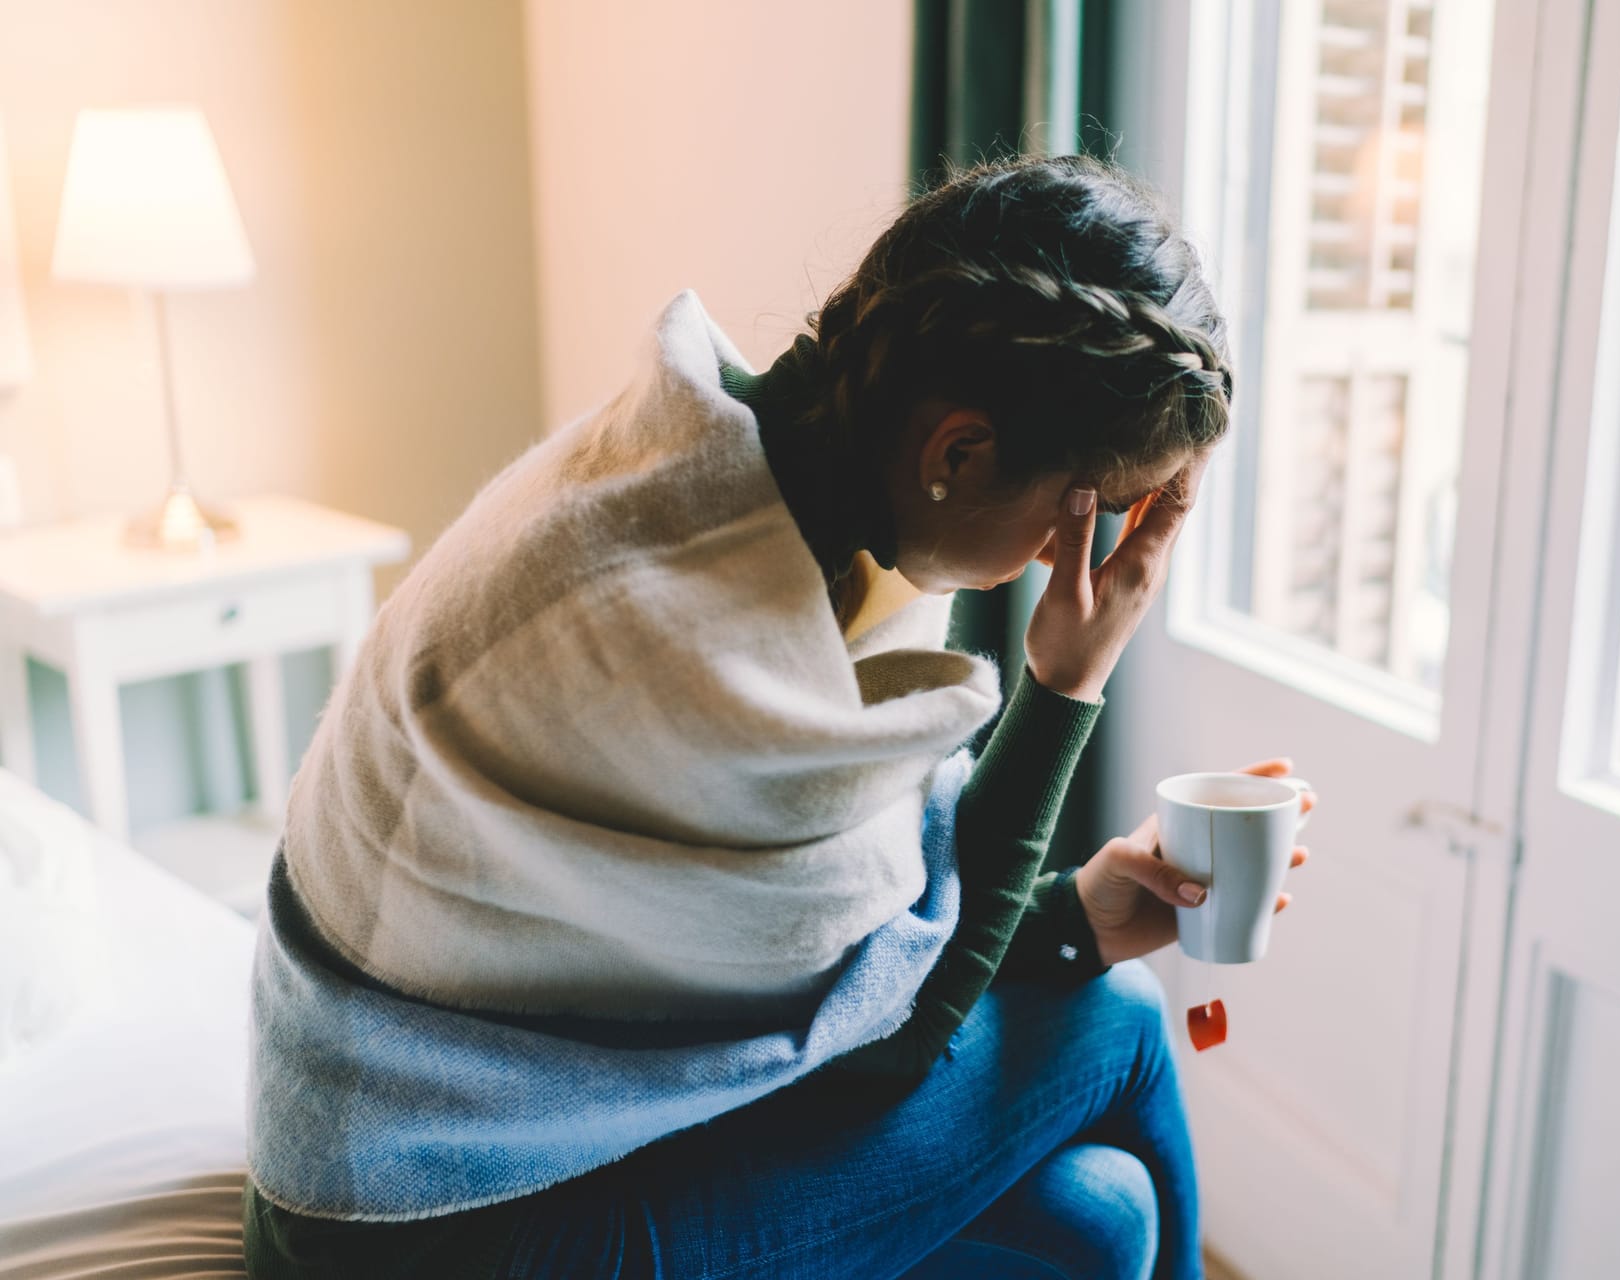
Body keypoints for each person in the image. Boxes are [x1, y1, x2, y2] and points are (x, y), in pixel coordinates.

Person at [241, 152, 1309, 1280]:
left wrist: (1067, 912)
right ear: (958, 450)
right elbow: (885, 1048)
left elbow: (838, 944)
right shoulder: (705, 643)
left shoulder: (711, 463)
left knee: (1102, 1217)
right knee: (1125, 1023)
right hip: (430, 1222)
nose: (1074, 560)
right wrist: (1067, 683)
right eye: (1086, 513)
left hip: (443, 1137)